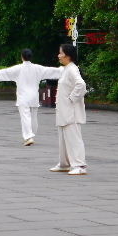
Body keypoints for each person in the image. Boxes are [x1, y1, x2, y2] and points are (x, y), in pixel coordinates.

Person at [0, 49, 47, 145]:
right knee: (33, 116)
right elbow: (50, 71)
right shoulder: (37, 68)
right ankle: (32, 135)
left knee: (25, 116)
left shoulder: (18, 68)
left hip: (24, 97)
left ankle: (28, 137)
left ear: (22, 57)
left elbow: (5, 73)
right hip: (34, 96)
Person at [40, 44, 87, 176]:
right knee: (63, 139)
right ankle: (64, 164)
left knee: (73, 139)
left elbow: (81, 85)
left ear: (67, 55)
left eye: (60, 53)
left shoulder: (72, 69)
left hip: (70, 112)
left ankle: (79, 165)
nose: (58, 56)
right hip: (64, 111)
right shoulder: (66, 69)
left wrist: (72, 98)